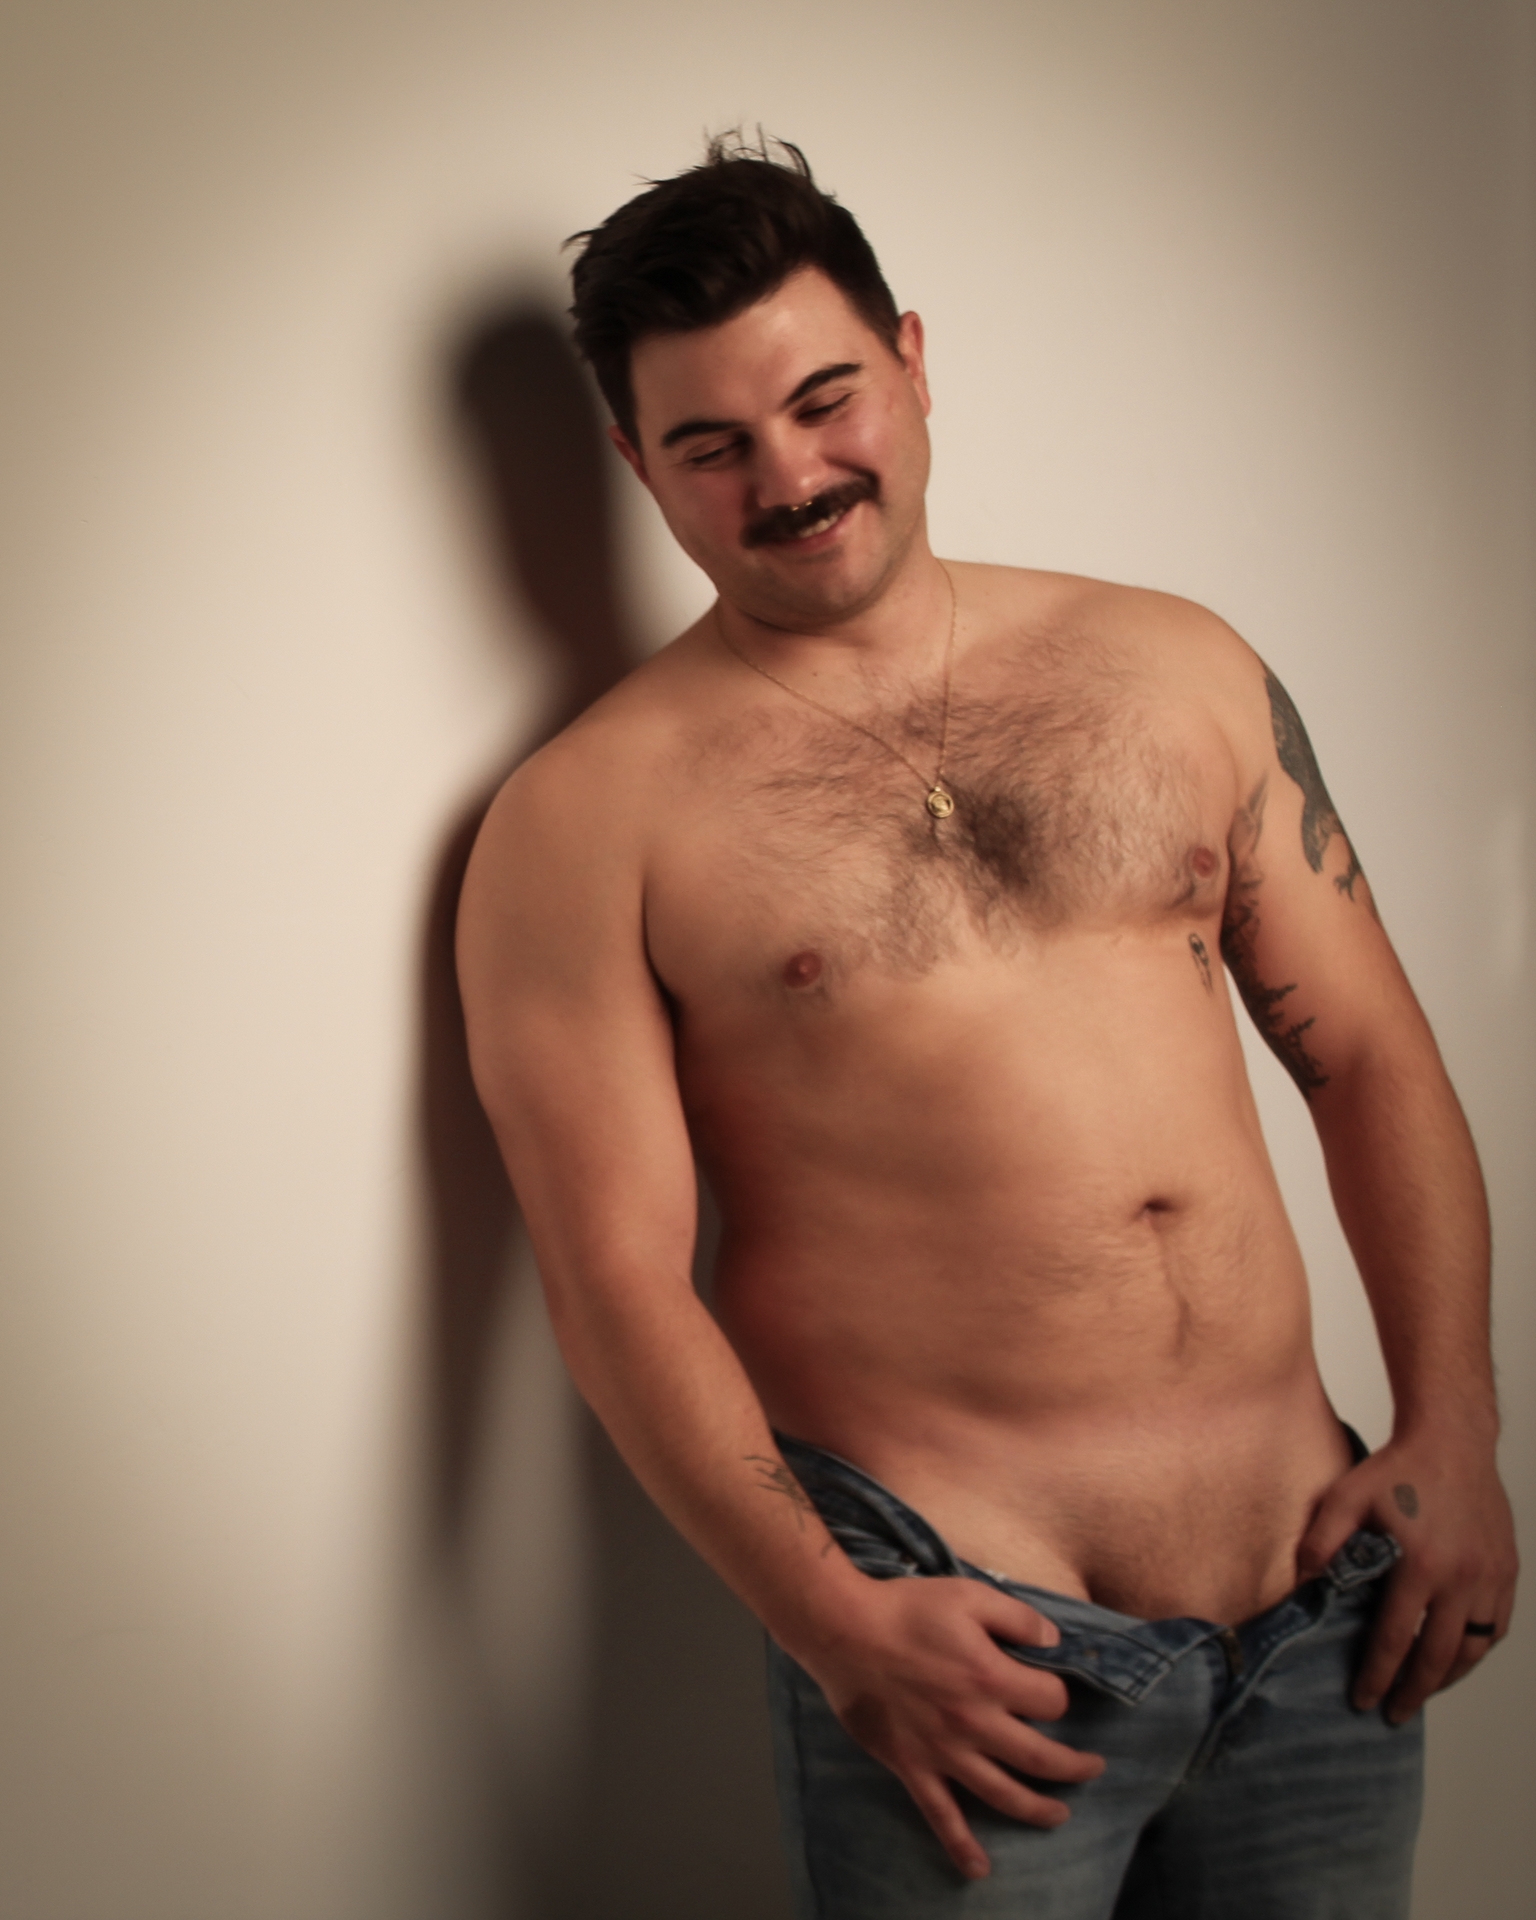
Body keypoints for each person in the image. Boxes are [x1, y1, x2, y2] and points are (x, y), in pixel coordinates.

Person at [456, 135, 1517, 1917]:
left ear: (913, 361)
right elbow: (616, 1281)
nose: (792, 476)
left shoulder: (1178, 666)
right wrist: (831, 1622)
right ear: (636, 464)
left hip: (1322, 1596)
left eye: (825, 400)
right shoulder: (584, 823)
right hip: (964, 1643)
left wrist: (1456, 1435)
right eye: (713, 445)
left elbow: (1370, 1057)